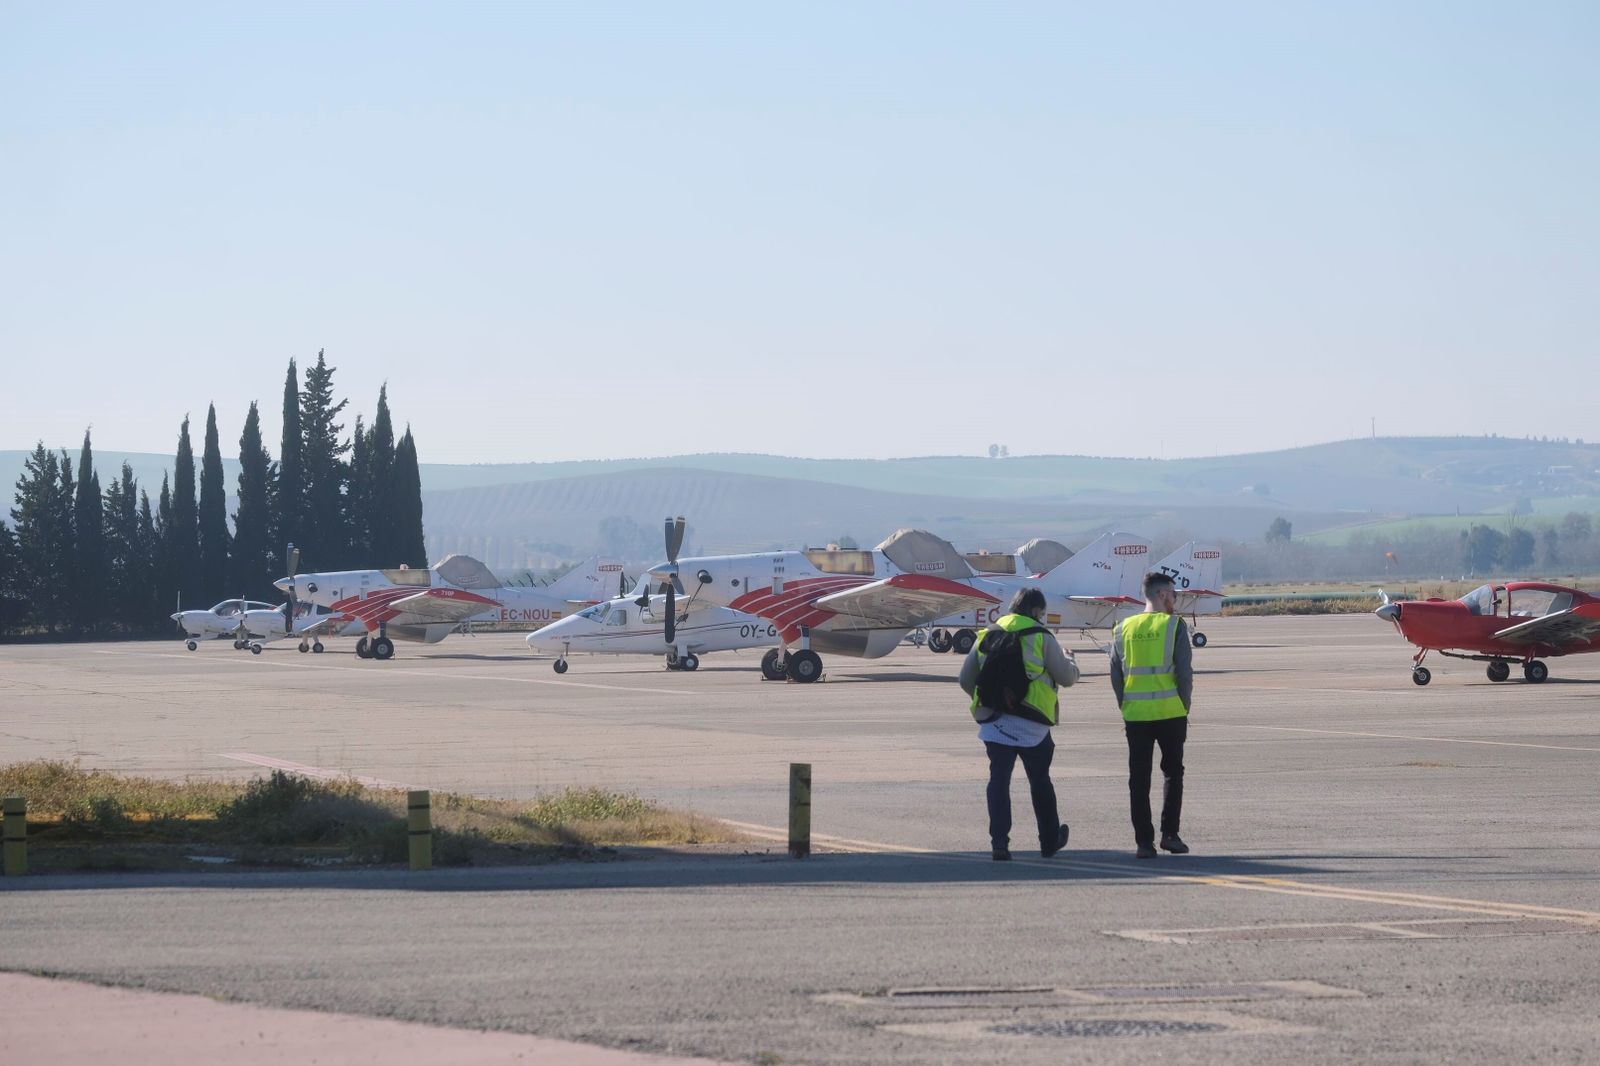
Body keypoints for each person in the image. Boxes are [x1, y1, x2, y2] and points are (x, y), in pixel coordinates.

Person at [959, 587, 1081, 860]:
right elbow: (1066, 678)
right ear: (1037, 611)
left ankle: (999, 843)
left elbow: (965, 680)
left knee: (998, 782)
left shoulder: (989, 634)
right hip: (1033, 724)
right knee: (1040, 782)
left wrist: (991, 702)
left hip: (994, 724)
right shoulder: (1041, 636)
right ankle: (1049, 841)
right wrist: (1071, 659)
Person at [1109, 570, 1194, 859]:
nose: (1174, 599)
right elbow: (1184, 674)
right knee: (1173, 774)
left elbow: (1116, 675)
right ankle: (1170, 835)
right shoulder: (1174, 626)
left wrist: (1126, 707)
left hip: (1136, 716)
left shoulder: (1123, 628)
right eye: (1173, 594)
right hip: (1171, 712)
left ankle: (1143, 842)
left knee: (1139, 779)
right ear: (1161, 594)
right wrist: (1184, 707)